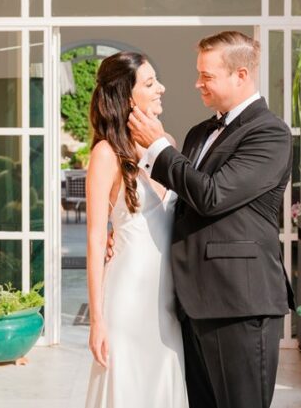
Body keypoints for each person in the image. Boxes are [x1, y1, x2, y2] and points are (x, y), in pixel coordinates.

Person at [128, 31, 295, 408]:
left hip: (239, 303)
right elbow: (178, 203)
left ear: (241, 75)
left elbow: (211, 196)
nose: (197, 83)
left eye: (207, 76)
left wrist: (158, 146)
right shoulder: (199, 133)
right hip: (193, 302)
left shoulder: (270, 133)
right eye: (198, 73)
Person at [84, 51, 188, 408]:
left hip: (168, 298)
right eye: (149, 83)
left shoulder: (168, 145)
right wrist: (97, 320)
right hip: (126, 300)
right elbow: (97, 240)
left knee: (164, 385)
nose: (161, 88)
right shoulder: (105, 154)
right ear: (127, 96)